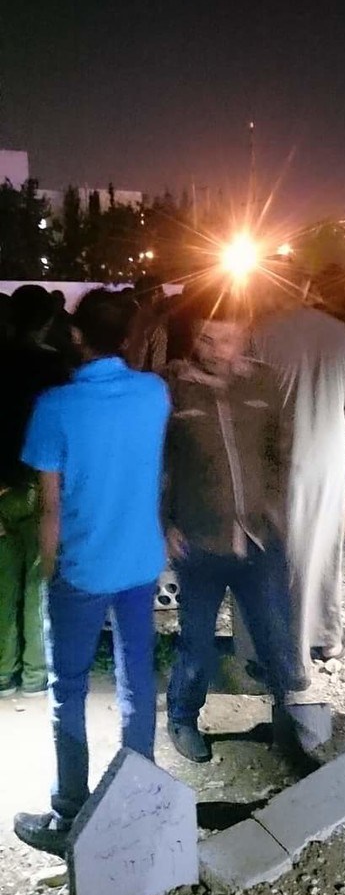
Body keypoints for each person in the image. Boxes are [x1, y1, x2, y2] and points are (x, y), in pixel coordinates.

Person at [13, 289, 170, 856]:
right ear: (127, 337)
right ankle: (140, 797)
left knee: (69, 688)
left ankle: (71, 810)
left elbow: (50, 506)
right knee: (137, 680)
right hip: (140, 561)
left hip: (81, 567)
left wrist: (49, 570)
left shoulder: (55, 406)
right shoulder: (154, 393)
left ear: (76, 335)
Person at [163, 286, 301, 763]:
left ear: (245, 336)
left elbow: (281, 450)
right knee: (196, 642)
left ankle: (289, 725)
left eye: (227, 338)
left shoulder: (264, 383)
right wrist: (165, 522)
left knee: (276, 638)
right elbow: (158, 463)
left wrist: (278, 507)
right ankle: (183, 717)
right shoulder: (174, 388)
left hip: (259, 539)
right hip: (199, 539)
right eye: (205, 339)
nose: (216, 350)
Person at [252, 269, 345, 685]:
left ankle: (280, 644)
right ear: (304, 287)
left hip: (276, 458)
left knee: (279, 552)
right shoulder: (340, 333)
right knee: (323, 548)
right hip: (327, 457)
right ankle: (326, 635)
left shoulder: (258, 334)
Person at [0, 286, 70, 698]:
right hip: (42, 486)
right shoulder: (55, 369)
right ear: (47, 321)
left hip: (3, 488)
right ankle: (34, 676)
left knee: (3, 584)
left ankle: (2, 672)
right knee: (38, 583)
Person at [125, 275, 168, 372]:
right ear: (155, 293)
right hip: (142, 379)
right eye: (162, 291)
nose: (165, 296)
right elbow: (158, 368)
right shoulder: (156, 328)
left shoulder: (126, 319)